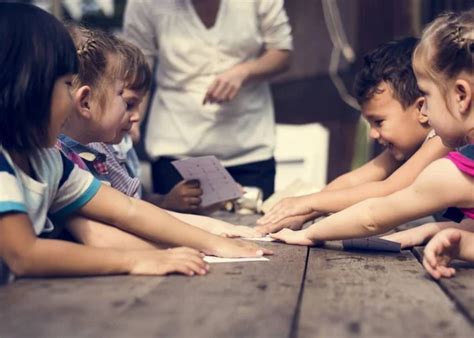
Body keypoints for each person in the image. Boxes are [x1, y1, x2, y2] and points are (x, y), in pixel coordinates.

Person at [0, 3, 270, 279]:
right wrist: (135, 261)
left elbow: (128, 209)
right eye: (68, 84)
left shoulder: (48, 161)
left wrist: (214, 243)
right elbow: (25, 255)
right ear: (29, 87)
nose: (73, 100)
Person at [269, 10, 474, 282]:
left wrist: (307, 232)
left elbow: (374, 214)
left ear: (461, 95)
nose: (424, 108)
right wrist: (448, 237)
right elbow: (362, 180)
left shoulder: (452, 171)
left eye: (426, 94)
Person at [59, 25, 262, 248]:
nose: (136, 117)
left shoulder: (96, 151)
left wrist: (212, 230)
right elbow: (104, 232)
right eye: (125, 100)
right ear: (85, 102)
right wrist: (200, 244)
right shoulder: (60, 160)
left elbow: (134, 209)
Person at [257, 37, 451, 233]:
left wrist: (309, 202)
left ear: (422, 109)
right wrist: (303, 214)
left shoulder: (443, 141)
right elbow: (354, 180)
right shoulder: (407, 148)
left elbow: (389, 189)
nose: (373, 134)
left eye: (379, 122)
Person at [123, 0, 293, 201]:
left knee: (254, 229)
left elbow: (282, 52)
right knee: (178, 228)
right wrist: (131, 118)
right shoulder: (145, 3)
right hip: (176, 146)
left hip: (249, 147)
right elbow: (140, 66)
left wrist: (244, 72)